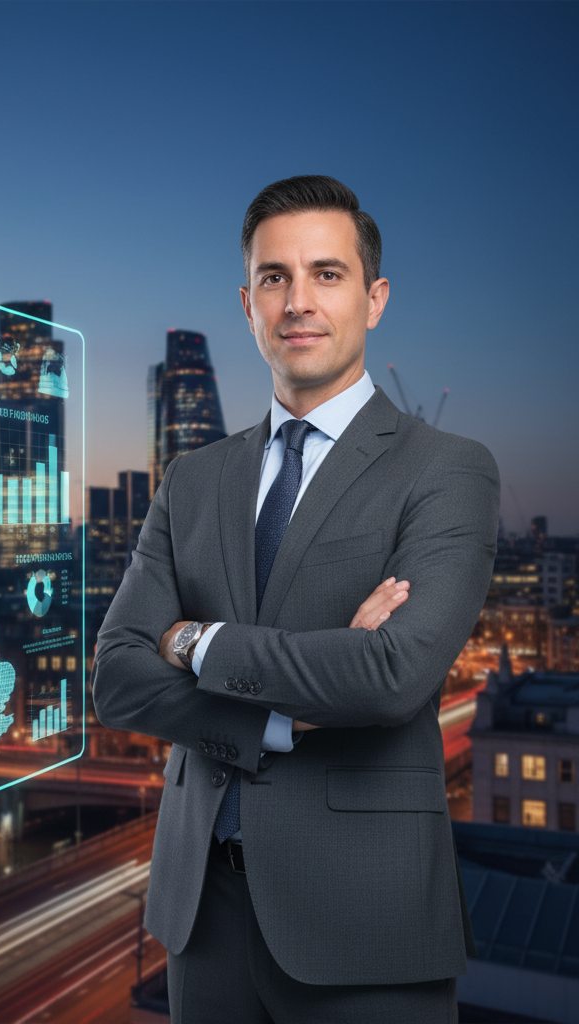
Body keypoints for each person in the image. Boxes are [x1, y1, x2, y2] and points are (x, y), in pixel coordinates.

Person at [92, 175, 499, 1024]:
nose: (298, 302)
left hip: (365, 918)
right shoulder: (194, 480)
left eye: (327, 273)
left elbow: (389, 674)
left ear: (374, 298)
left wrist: (195, 643)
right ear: (248, 304)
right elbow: (118, 677)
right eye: (275, 278)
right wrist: (280, 716)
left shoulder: (447, 469)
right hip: (203, 916)